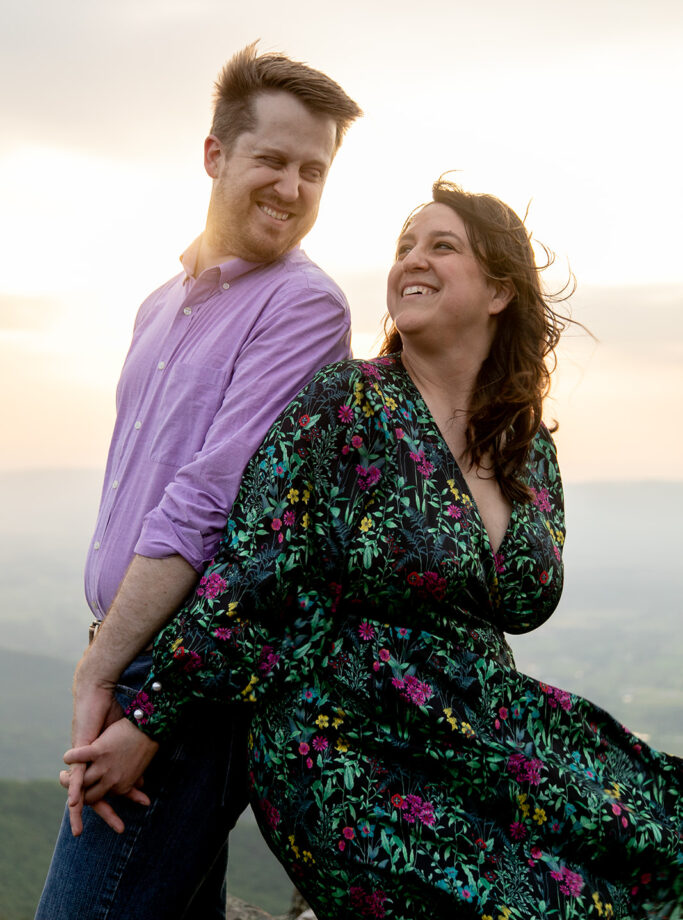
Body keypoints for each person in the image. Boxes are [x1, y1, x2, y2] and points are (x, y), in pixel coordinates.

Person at [66, 180, 682, 919]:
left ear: (498, 291)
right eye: (403, 247)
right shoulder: (348, 404)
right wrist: (148, 719)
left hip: (476, 739)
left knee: (658, 835)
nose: (410, 261)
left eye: (440, 246)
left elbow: (520, 602)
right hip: (348, 751)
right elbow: (255, 583)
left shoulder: (523, 448)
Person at [36, 43, 361, 920]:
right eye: (272, 159)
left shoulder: (303, 306)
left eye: (313, 172)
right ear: (215, 154)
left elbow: (208, 504)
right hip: (131, 650)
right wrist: (105, 647)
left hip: (181, 681)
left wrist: (98, 672)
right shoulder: (157, 305)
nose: (292, 189)